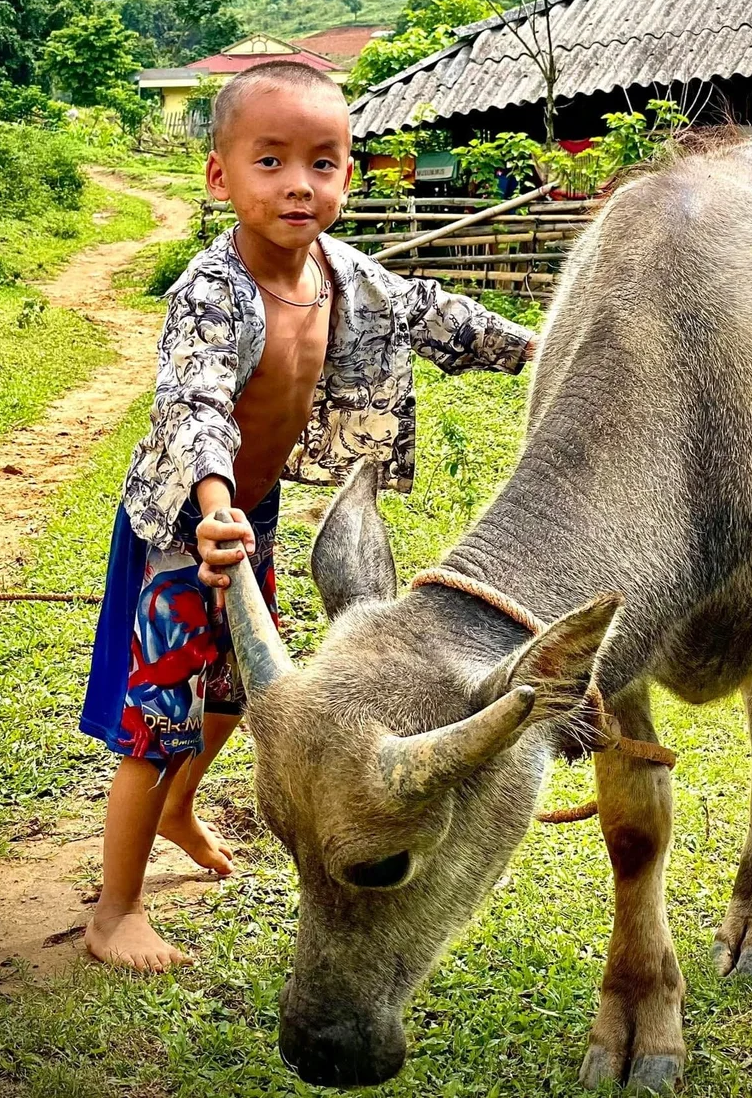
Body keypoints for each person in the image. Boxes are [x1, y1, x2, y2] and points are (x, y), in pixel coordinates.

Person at [79, 60, 535, 972]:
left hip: (258, 513)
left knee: (251, 689)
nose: (299, 184)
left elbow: (446, 319)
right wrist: (212, 510)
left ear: (348, 176)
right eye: (272, 160)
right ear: (220, 177)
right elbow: (194, 405)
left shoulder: (351, 277)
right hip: (185, 520)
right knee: (157, 716)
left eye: (322, 163)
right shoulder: (208, 292)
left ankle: (180, 807)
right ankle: (114, 908)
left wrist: (555, 346)